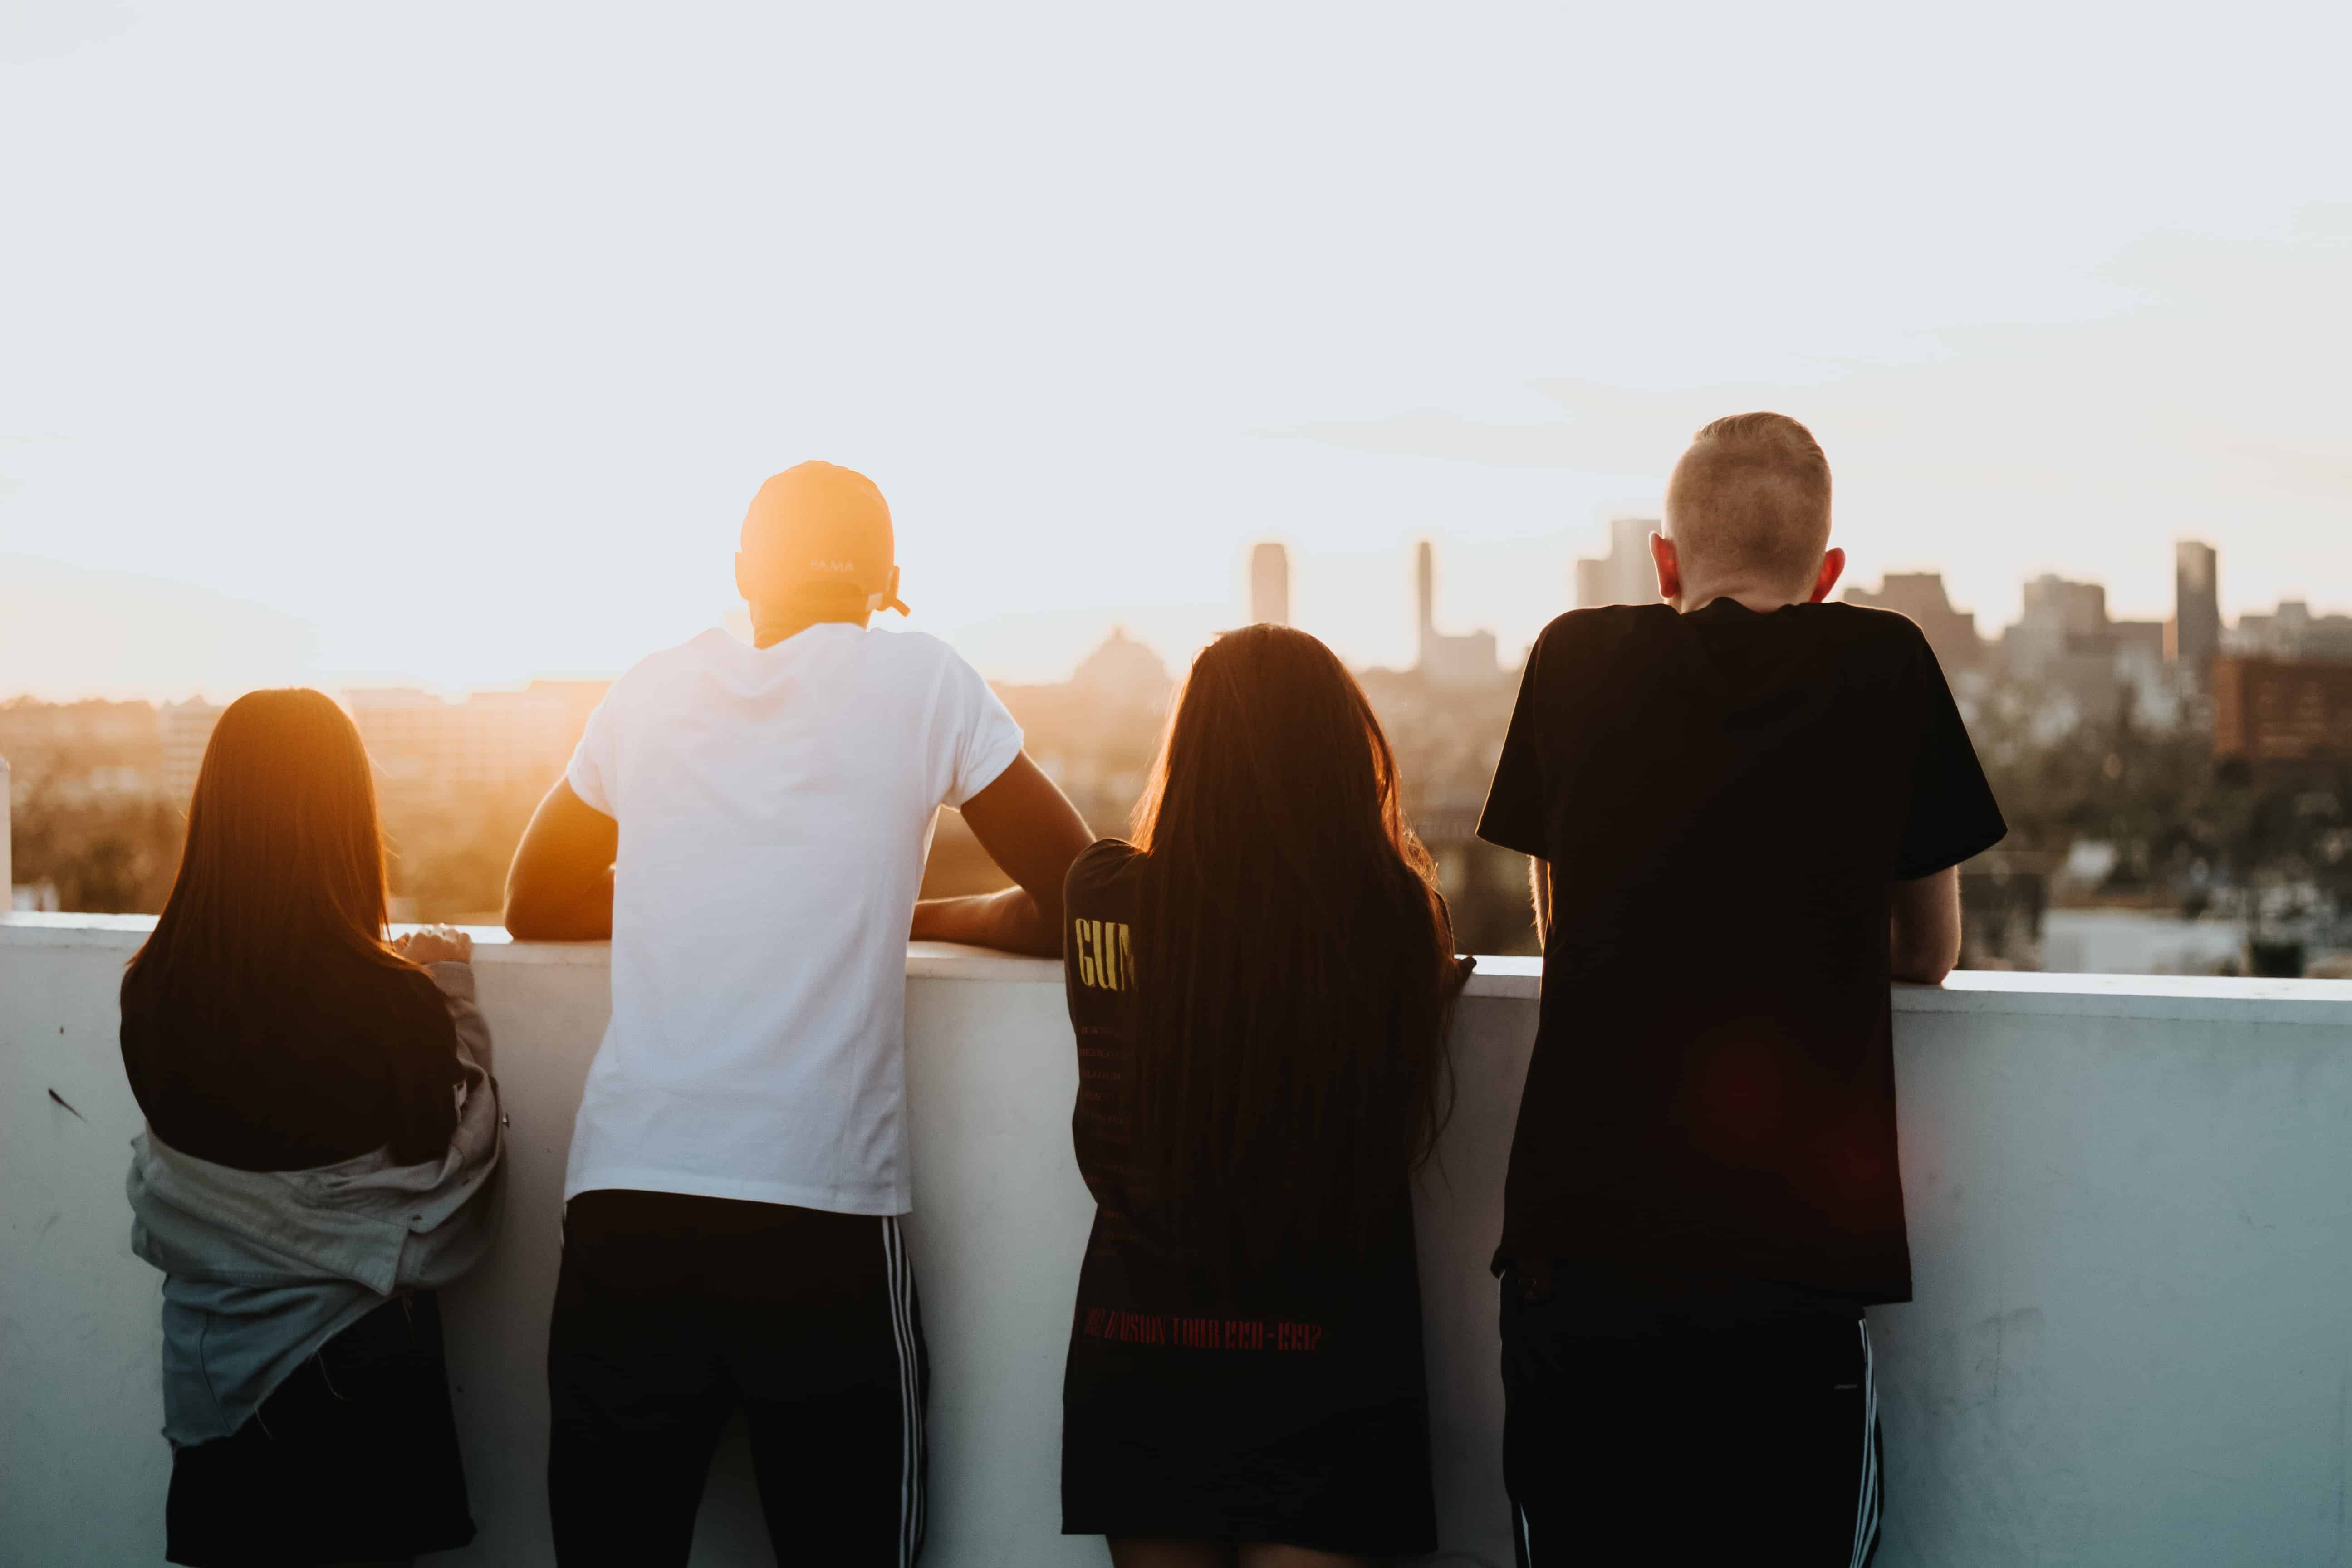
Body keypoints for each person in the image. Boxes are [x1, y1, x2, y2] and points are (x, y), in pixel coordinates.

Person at [506, 460, 1094, 1567]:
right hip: (815, 1214)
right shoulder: (924, 681)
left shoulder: (651, 685)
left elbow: (532, 900)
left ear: (741, 573)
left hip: (628, 1203)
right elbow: (1082, 895)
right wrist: (899, 904)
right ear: (891, 585)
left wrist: (709, 884)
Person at [1476, 412, 2007, 1565]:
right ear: (1828, 576)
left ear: (1664, 564)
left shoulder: (1573, 659)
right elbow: (1930, 951)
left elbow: (1564, 924)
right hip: (1790, 1269)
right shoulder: (1887, 663)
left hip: (1585, 1260)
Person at [1058, 624, 1470, 1568]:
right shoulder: (1393, 922)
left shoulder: (1101, 897)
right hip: (1329, 1360)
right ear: (1341, 754)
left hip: (1143, 1351)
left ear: (1188, 749)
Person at [120, 687, 504, 1568]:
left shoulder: (150, 993)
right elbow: (438, 1166)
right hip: (352, 1380)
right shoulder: (392, 1003)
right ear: (346, 817)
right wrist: (452, 999)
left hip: (210, 1383)